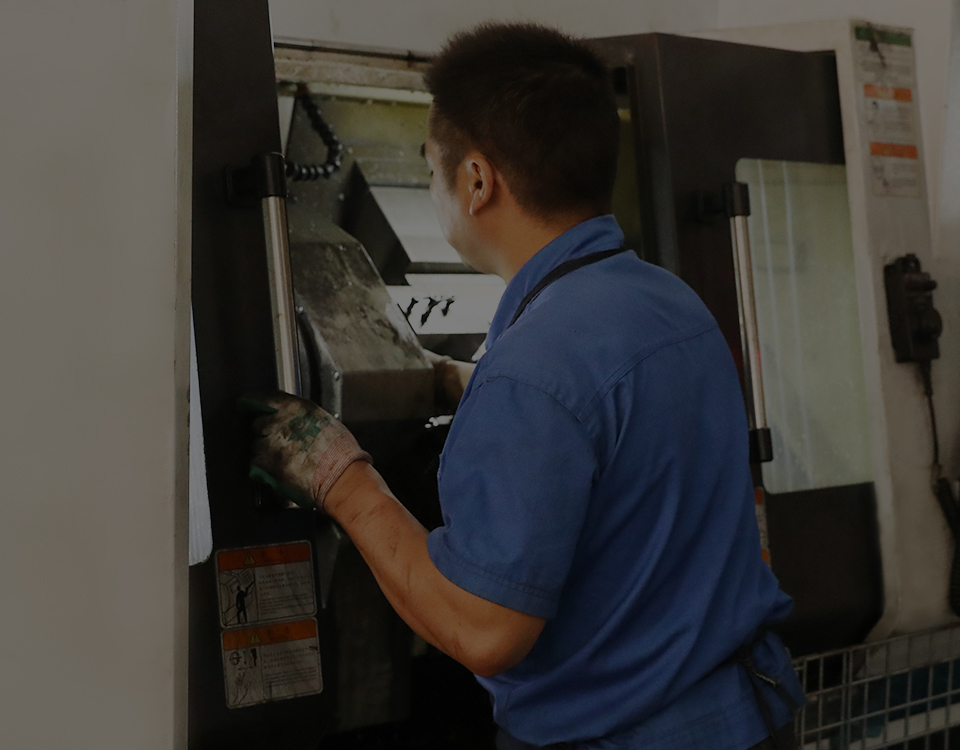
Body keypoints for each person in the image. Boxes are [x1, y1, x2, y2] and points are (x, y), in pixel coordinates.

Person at [250, 23, 804, 750]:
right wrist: (463, 386)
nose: (434, 186)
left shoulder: (533, 371)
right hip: (750, 715)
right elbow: (615, 434)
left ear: (477, 181)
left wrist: (340, 479)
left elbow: (485, 631)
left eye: (431, 169)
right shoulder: (671, 302)